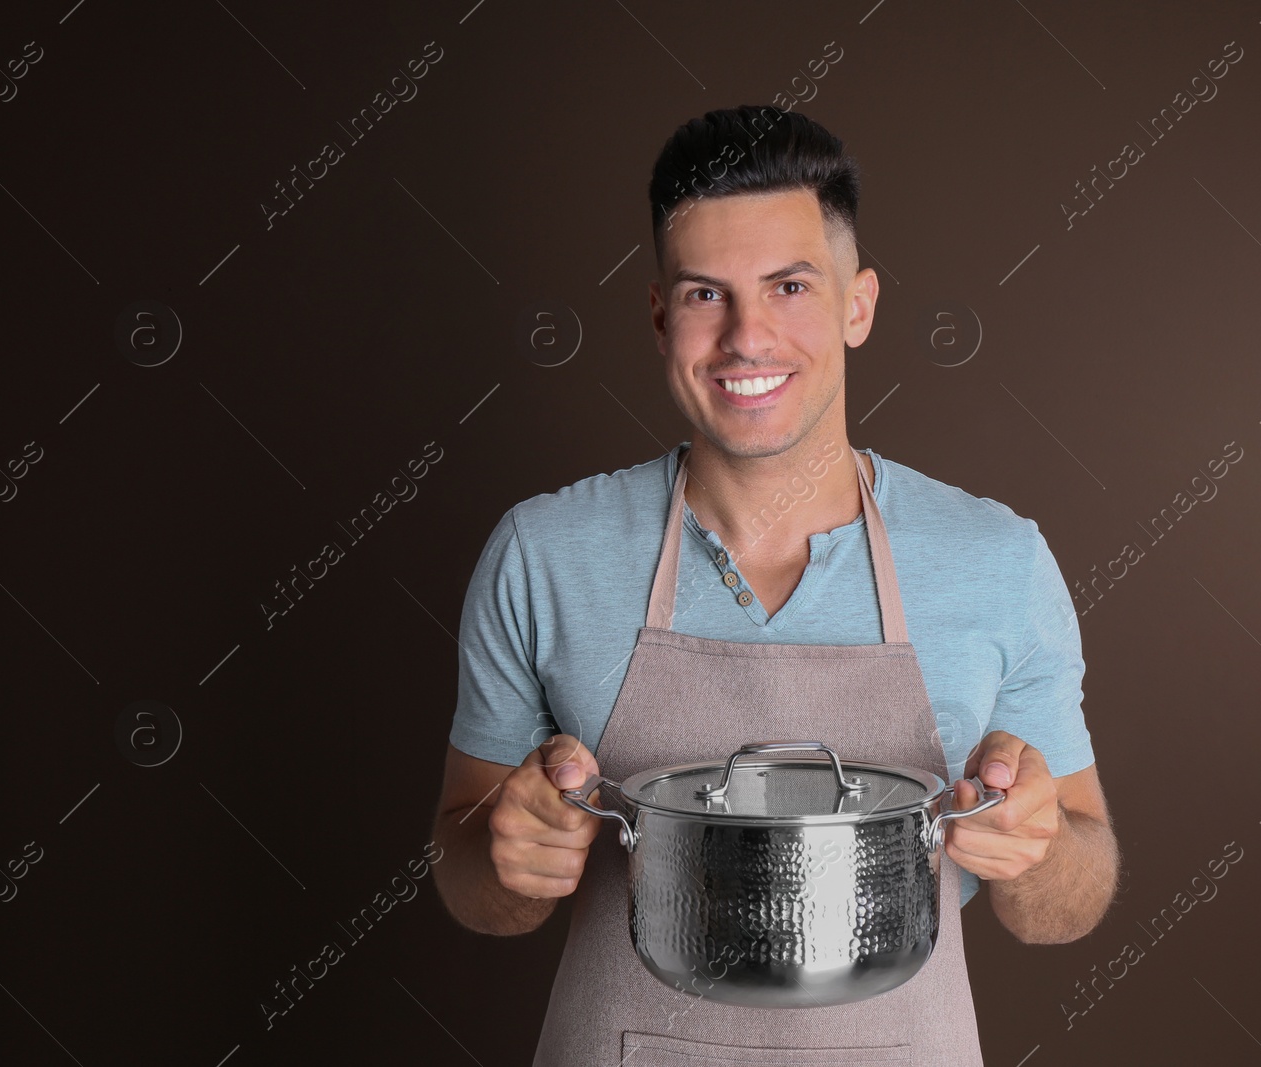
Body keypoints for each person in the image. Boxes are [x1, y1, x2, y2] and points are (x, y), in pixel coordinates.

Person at [432, 103, 1120, 1066]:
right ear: (660, 314)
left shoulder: (998, 560)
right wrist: (508, 852)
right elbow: (470, 882)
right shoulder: (544, 552)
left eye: (790, 285)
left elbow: (1070, 905)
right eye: (706, 294)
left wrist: (1040, 844)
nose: (747, 337)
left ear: (858, 304)